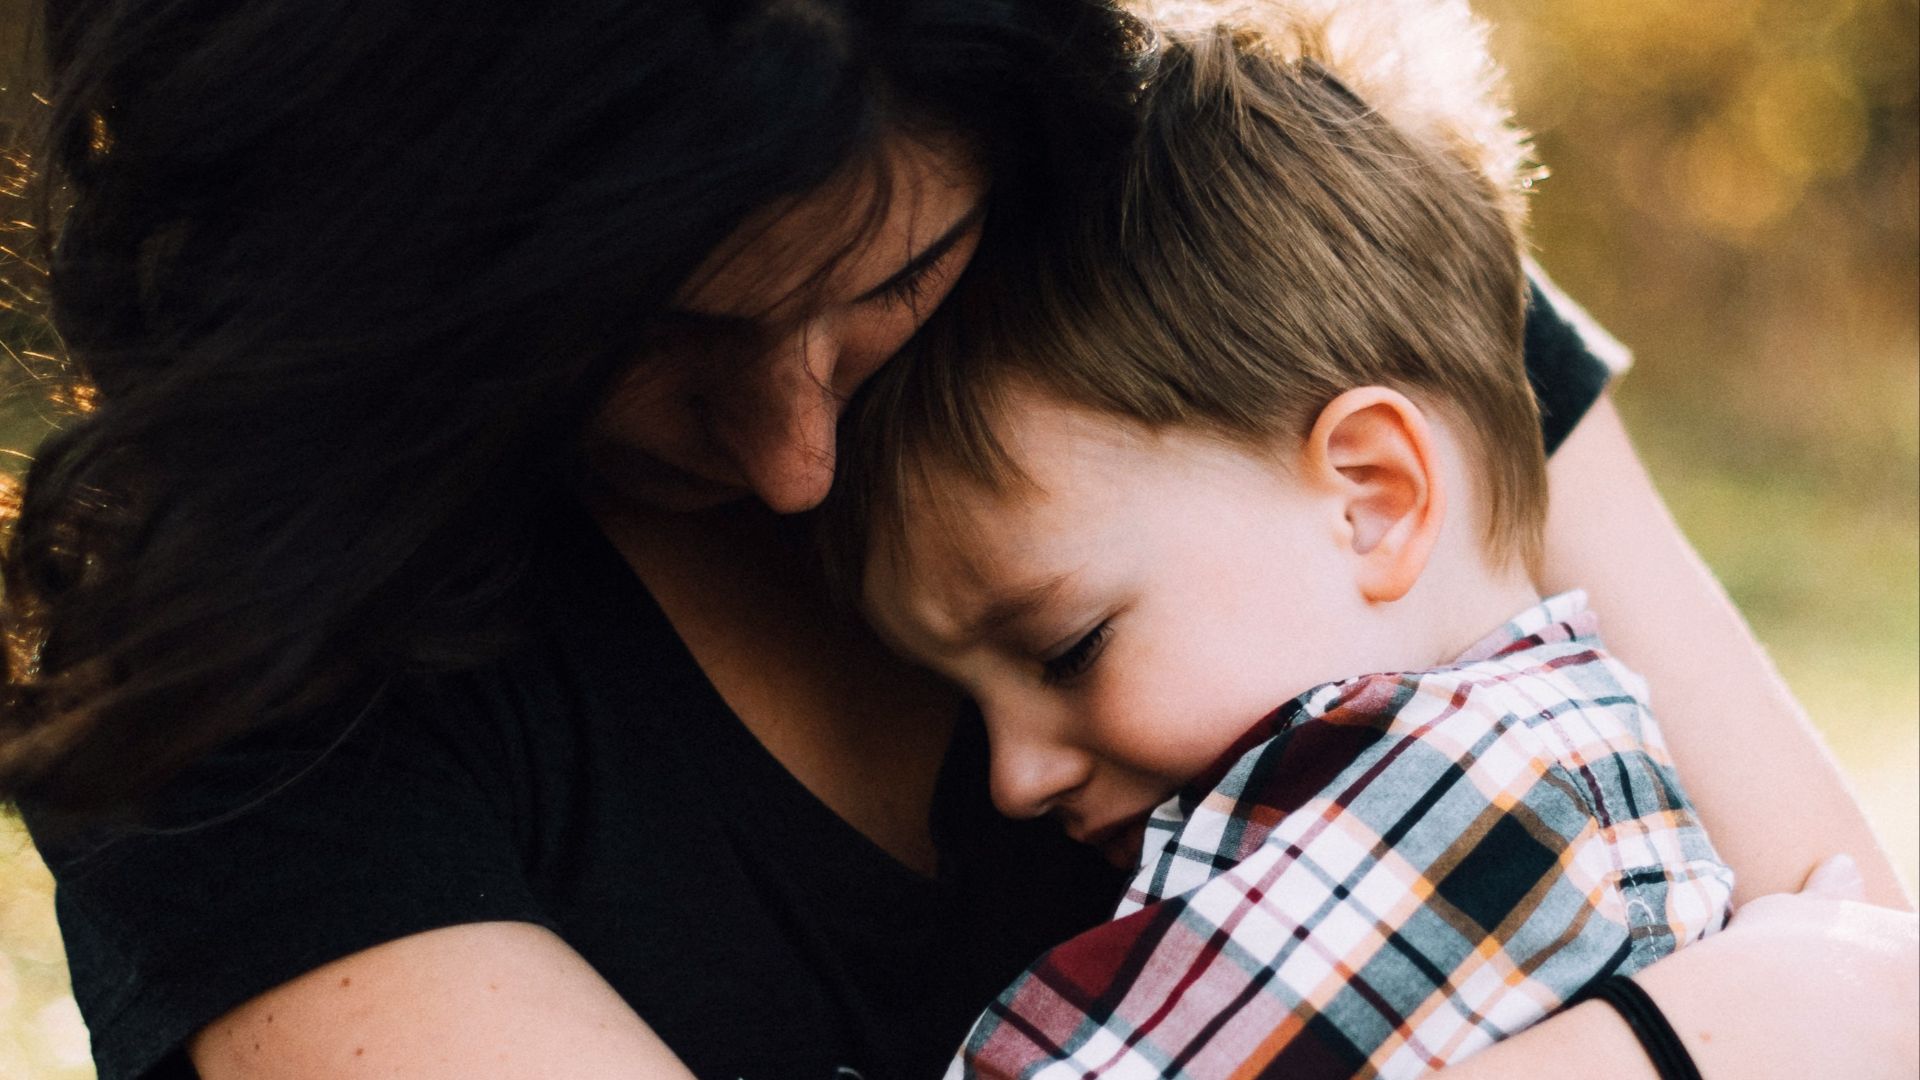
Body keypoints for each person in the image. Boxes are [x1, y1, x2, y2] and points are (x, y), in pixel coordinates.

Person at [0, 2, 1909, 1079]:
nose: (796, 459)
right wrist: (1684, 1043)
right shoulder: (243, 664)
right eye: (644, 340)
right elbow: (1830, 1001)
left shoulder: (1253, 273)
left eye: (890, 282)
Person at [826, 11, 1732, 1074]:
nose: (1013, 779)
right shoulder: (1538, 759)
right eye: (966, 700)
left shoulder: (1461, 803)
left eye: (1070, 649)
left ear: (1372, 499)